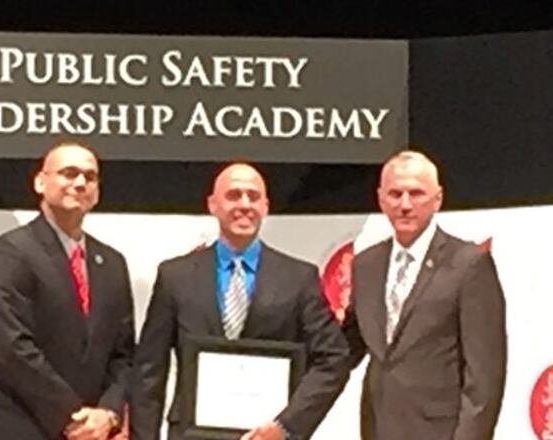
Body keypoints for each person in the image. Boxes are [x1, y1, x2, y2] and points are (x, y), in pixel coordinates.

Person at [130, 163, 350, 440]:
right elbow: (150, 370)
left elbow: (334, 358)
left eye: (254, 196)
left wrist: (286, 426)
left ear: (266, 206)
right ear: (212, 204)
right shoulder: (175, 276)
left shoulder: (299, 278)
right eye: (233, 195)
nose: (245, 205)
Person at [0, 140, 135, 440]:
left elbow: (123, 355)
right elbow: (11, 346)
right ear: (40, 182)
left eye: (90, 176)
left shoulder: (112, 263)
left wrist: (108, 413)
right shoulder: (13, 251)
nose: (80, 182)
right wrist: (73, 417)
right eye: (68, 173)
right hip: (19, 428)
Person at [342, 150, 507, 439]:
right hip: (377, 429)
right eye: (395, 194)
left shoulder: (469, 265)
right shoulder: (365, 264)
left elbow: (484, 380)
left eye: (416, 193)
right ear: (380, 198)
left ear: (438, 199)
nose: (405, 204)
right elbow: (345, 348)